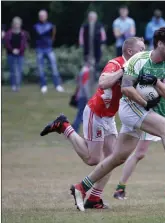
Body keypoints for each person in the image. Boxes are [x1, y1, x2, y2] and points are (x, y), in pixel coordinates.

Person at [40, 37, 146, 210]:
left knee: (113, 159)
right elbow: (103, 82)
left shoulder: (137, 69)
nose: (144, 52)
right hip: (95, 112)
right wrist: (122, 71)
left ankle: (94, 199)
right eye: (141, 49)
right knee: (93, 159)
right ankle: (64, 126)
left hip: (109, 117)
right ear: (130, 52)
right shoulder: (116, 63)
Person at [113, 45, 165, 199]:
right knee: (139, 154)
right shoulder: (152, 63)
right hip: (150, 113)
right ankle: (120, 188)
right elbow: (146, 89)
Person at [33, 10, 64, 93]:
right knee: (41, 68)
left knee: (54, 67)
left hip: (49, 49)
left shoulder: (51, 26)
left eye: (43, 16)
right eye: (40, 16)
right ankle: (43, 85)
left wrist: (50, 43)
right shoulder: (36, 26)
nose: (42, 17)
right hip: (39, 49)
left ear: (46, 16)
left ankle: (57, 85)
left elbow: (53, 37)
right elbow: (34, 37)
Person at [79, 11, 107, 81]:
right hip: (87, 48)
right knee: (87, 63)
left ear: (96, 18)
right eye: (90, 17)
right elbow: (81, 36)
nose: (92, 19)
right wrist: (81, 44)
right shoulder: (85, 26)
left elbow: (103, 36)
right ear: (88, 18)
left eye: (93, 17)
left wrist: (102, 44)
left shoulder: (99, 26)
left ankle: (95, 78)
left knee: (96, 63)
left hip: (97, 48)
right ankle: (87, 78)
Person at [4, 17, 28, 92]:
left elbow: (24, 44)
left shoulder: (23, 33)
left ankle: (18, 85)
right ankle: (13, 85)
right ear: (13, 24)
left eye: (18, 24)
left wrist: (19, 50)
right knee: (13, 71)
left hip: (20, 54)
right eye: (15, 23)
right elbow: (7, 44)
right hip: (10, 54)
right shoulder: (8, 33)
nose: (16, 25)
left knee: (19, 70)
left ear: (20, 24)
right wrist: (12, 50)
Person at [71, 63, 92, 133]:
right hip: (83, 96)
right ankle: (74, 129)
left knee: (83, 114)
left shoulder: (82, 70)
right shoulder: (86, 71)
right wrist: (88, 97)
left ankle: (88, 130)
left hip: (80, 95)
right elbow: (85, 85)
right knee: (81, 114)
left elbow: (78, 82)